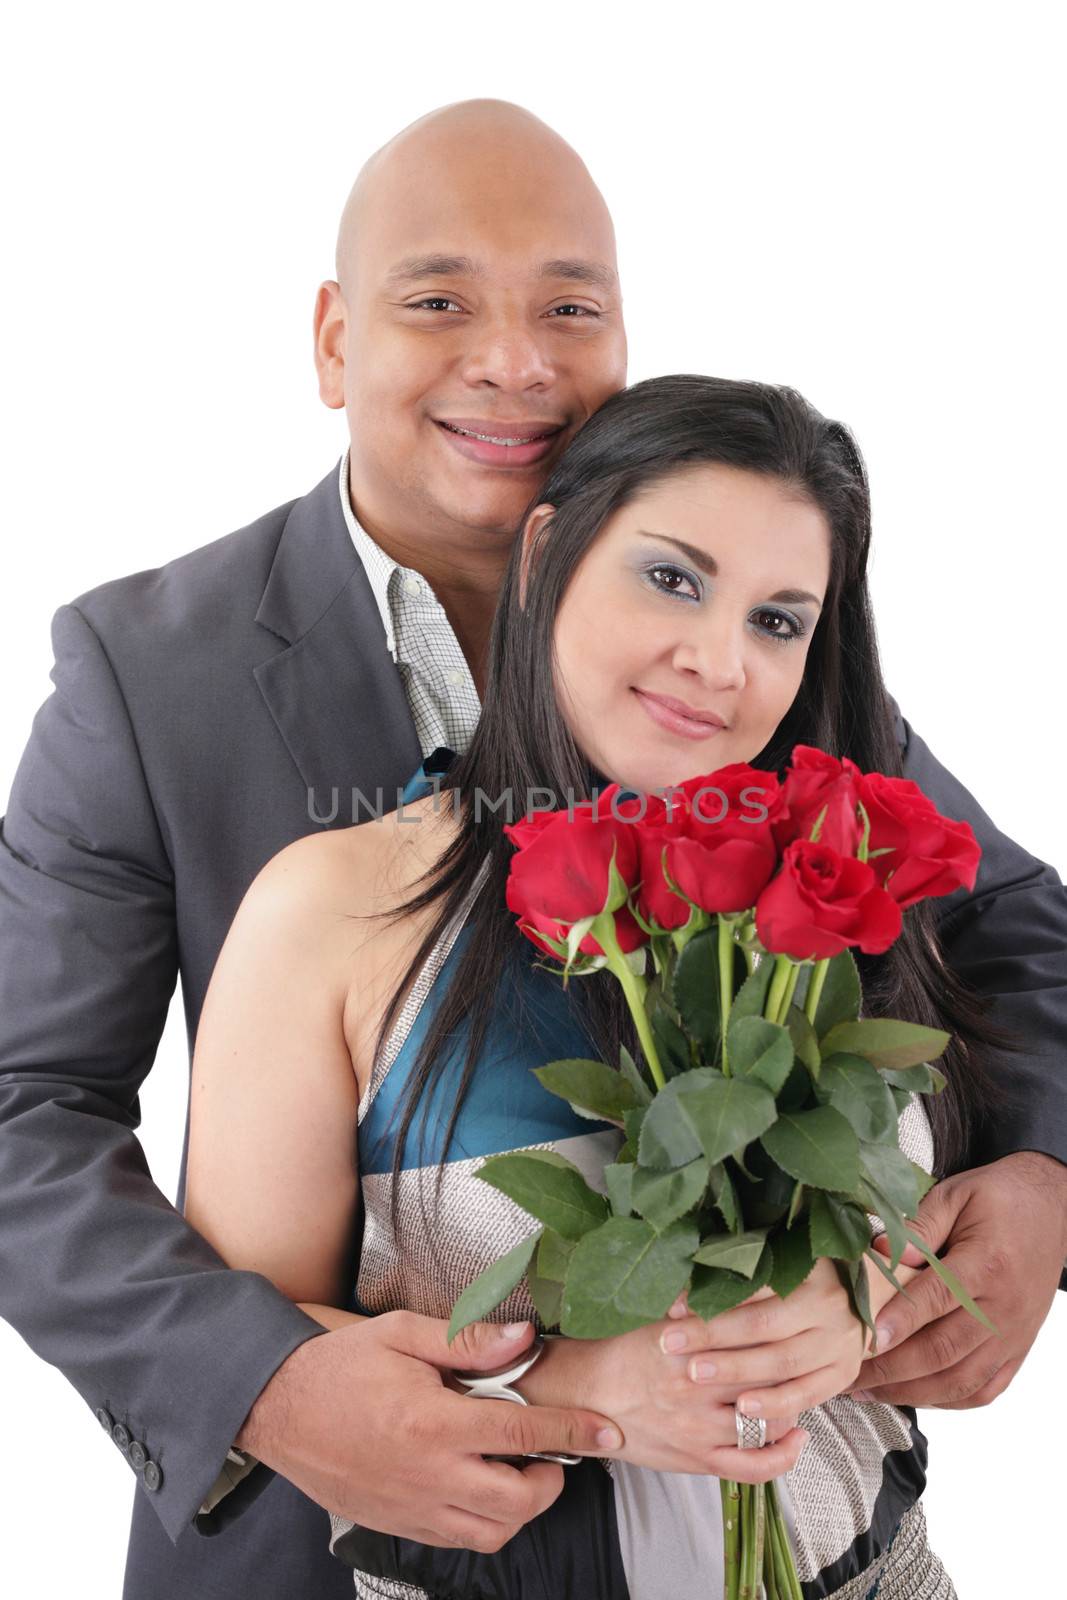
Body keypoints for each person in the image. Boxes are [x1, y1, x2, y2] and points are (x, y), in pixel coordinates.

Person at [0, 99, 1064, 1600]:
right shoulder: (148, 675)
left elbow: (1007, 926)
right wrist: (265, 1381)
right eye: (437, 302)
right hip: (355, 1535)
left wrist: (1040, 1179)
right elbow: (20, 1106)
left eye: (569, 307)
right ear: (331, 342)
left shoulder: (731, 647)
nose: (514, 359)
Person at [184, 373, 996, 1598]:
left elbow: (920, 1187)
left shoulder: (830, 881)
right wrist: (576, 1392)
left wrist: (855, 1298)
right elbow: (256, 1361)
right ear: (547, 552)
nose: (718, 660)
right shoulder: (333, 911)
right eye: (672, 577)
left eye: (777, 620)